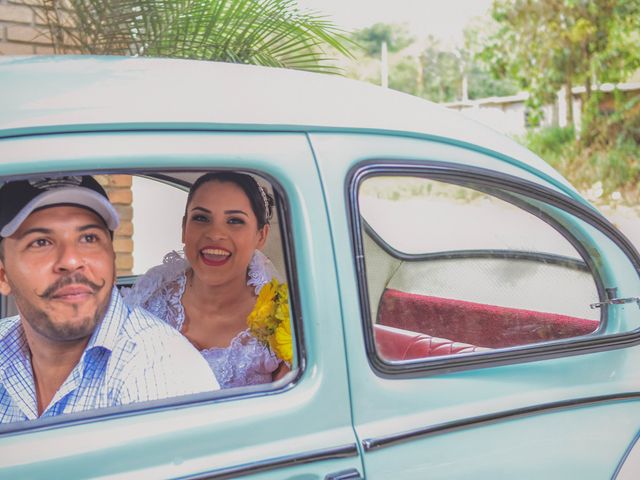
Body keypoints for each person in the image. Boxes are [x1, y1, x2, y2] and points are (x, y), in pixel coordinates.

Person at [0, 176, 218, 424]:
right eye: (41, 242)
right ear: (3, 275)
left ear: (112, 261)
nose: (71, 261)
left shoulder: (159, 374)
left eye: (89, 238)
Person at [123, 172, 291, 388]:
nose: (215, 234)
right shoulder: (150, 298)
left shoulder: (281, 322)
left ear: (261, 236)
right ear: (184, 228)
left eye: (235, 221)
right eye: (201, 218)